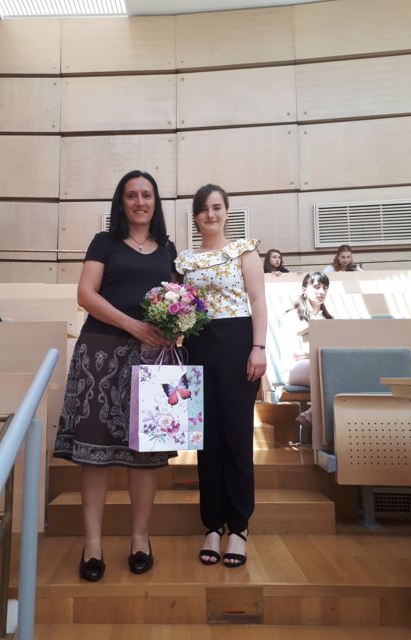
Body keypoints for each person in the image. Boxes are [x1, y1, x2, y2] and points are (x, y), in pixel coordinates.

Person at [53, 170, 178, 582]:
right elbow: (85, 294)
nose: (140, 202)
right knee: (95, 452)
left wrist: (175, 327)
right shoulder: (103, 242)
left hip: (153, 358)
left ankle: (140, 538)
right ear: (121, 202)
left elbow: (179, 300)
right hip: (101, 354)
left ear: (155, 201)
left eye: (147, 195)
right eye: (131, 195)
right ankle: (92, 544)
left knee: (146, 454)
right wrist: (132, 325)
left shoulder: (169, 249)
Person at [175, 184, 267, 569]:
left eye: (216, 207)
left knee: (236, 438)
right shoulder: (185, 260)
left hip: (237, 346)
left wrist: (258, 347)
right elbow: (178, 307)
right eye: (203, 209)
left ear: (226, 211)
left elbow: (258, 301)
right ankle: (212, 525)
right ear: (195, 217)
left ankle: (239, 528)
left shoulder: (245, 251)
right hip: (198, 348)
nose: (210, 215)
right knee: (207, 441)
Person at [280, 272, 333, 429]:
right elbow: (293, 353)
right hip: (293, 368)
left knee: (334, 370)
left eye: (325, 288)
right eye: (316, 287)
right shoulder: (292, 317)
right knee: (328, 369)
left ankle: (312, 414)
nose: (321, 291)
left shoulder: (328, 320)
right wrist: (319, 351)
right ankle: (315, 416)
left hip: (320, 365)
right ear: (304, 290)